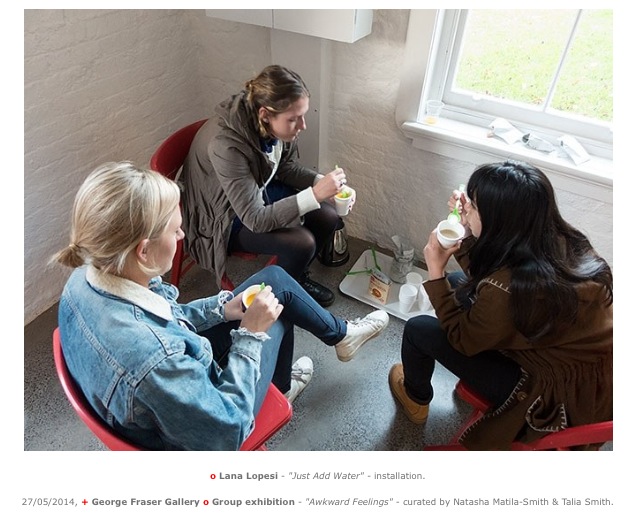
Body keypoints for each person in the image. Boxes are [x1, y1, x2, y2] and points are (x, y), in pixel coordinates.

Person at [53, 162, 388, 451]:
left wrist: (222, 309)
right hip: (211, 425)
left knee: (274, 279)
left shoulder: (87, 277)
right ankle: (283, 386)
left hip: (165, 398)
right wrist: (250, 334)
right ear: (143, 251)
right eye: (175, 229)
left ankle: (340, 337)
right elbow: (227, 432)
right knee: (278, 312)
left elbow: (167, 318)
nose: (182, 235)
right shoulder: (156, 361)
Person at [388, 160, 613, 450]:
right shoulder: (561, 240)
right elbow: (492, 278)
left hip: (550, 391)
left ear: (500, 222)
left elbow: (463, 339)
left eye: (474, 206)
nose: (466, 209)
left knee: (419, 329)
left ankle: (415, 397)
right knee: (458, 282)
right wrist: (469, 230)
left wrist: (435, 272)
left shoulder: (508, 291)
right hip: (588, 368)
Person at [181, 64, 351, 308]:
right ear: (265, 115)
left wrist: (321, 183)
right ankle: (274, 301)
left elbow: (285, 169)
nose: (302, 126)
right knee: (302, 242)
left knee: (328, 217)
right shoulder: (227, 146)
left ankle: (295, 278)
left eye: (302, 115)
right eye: (293, 119)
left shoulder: (272, 125)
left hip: (257, 188)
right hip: (224, 215)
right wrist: (315, 194)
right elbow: (255, 219)